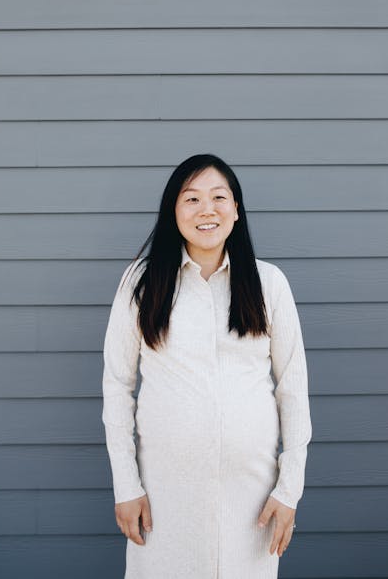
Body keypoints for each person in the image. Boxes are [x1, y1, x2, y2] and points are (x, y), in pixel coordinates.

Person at [102, 153, 312, 579]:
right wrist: (127, 485)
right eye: (191, 199)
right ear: (173, 211)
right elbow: (117, 385)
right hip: (164, 500)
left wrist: (289, 490)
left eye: (219, 197)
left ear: (236, 209)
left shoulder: (269, 284)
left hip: (252, 501)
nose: (206, 210)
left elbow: (293, 388)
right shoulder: (140, 284)